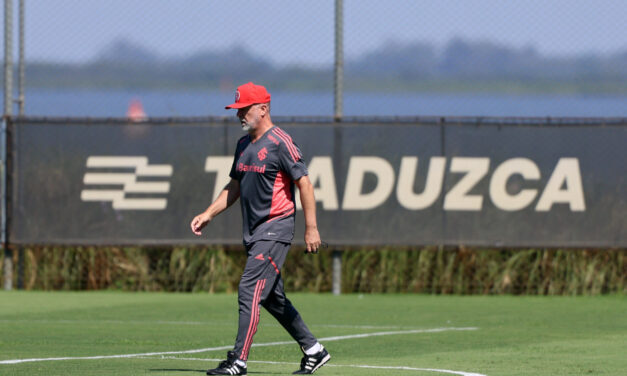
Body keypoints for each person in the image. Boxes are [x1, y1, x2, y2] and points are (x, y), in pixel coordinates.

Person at [190, 82, 331, 375]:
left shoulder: (281, 142)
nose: (239, 115)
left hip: (276, 229)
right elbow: (235, 186)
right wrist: (208, 213)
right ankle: (314, 350)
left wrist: (311, 228)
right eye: (236, 110)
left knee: (249, 289)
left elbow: (304, 182)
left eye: (244, 109)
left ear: (263, 109)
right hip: (253, 234)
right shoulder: (243, 145)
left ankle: (238, 361)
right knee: (271, 298)